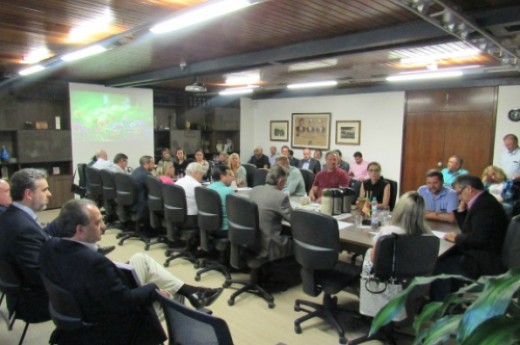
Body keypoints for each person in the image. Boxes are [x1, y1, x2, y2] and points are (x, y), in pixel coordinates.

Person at [39, 199, 223, 345]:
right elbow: (124, 301)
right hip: (108, 328)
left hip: (79, 317)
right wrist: (153, 289)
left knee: (139, 260)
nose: (103, 226)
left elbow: (88, 279)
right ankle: (186, 306)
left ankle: (191, 291)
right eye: (97, 223)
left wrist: (114, 271)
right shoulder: (95, 264)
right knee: (169, 295)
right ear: (79, 230)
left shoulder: (49, 247)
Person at [431, 174, 508, 301]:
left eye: (459, 193)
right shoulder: (482, 200)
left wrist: (456, 238)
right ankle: (451, 300)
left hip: (484, 259)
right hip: (482, 252)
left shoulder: (484, 207)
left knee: (440, 265)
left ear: (469, 189)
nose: (458, 197)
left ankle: (440, 307)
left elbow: (479, 239)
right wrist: (461, 209)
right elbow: (467, 229)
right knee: (446, 256)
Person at [359, 191, 431, 321]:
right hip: (414, 282)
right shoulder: (427, 233)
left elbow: (375, 259)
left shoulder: (389, 232)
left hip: (388, 284)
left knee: (368, 252)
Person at [0, 168, 52, 319]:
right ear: (28, 194)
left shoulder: (9, 216)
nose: (49, 194)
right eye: (45, 190)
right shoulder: (23, 229)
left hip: (19, 292)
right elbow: (39, 276)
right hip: (33, 301)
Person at [249, 165, 293, 261]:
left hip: (253, 241)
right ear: (280, 181)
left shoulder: (254, 190)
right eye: (285, 182)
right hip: (271, 243)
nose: (284, 185)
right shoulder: (281, 197)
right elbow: (294, 221)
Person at [176, 162, 206, 227]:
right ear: (196, 173)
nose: (201, 177)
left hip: (177, 216)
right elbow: (203, 204)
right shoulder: (196, 185)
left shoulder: (178, 182)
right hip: (191, 218)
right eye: (201, 174)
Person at [207, 165, 235, 230]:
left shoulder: (208, 188)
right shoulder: (229, 191)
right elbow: (235, 213)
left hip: (210, 226)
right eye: (230, 175)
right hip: (225, 228)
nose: (232, 177)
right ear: (222, 177)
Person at [131, 155, 155, 224]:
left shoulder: (136, 170)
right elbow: (155, 189)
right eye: (152, 163)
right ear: (146, 164)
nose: (154, 165)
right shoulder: (146, 175)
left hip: (135, 200)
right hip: (142, 203)